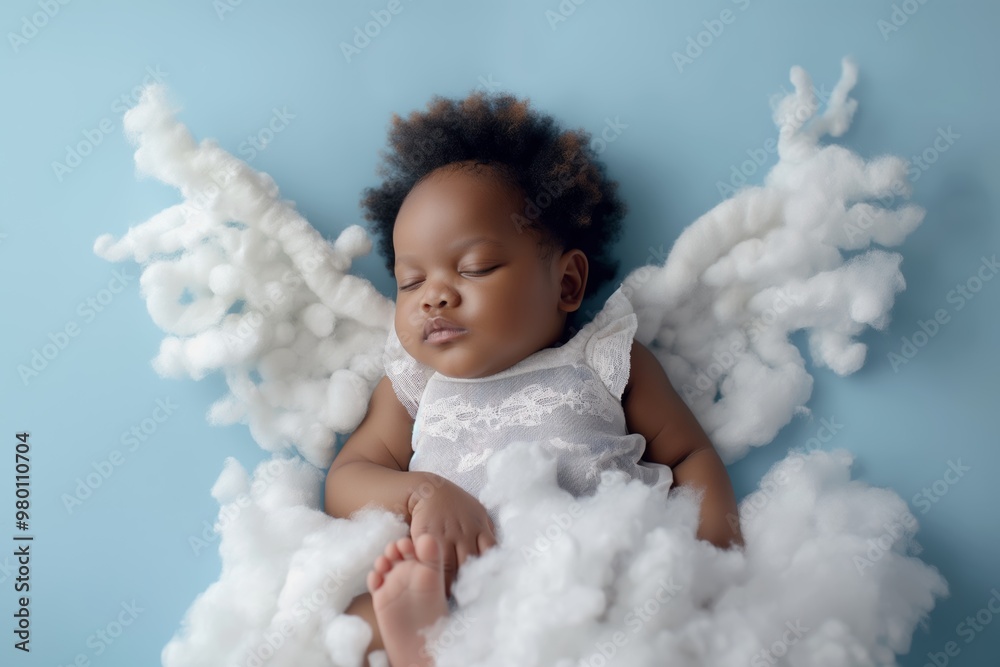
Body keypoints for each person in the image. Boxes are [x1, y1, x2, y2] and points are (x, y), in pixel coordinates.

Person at [324, 89, 743, 667]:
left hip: (592, 579)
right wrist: (421, 492)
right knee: (360, 618)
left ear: (567, 284)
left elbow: (690, 453)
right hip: (462, 588)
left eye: (476, 268)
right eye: (411, 281)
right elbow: (347, 478)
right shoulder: (415, 387)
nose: (435, 296)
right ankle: (424, 645)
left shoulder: (604, 361)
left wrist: (713, 556)